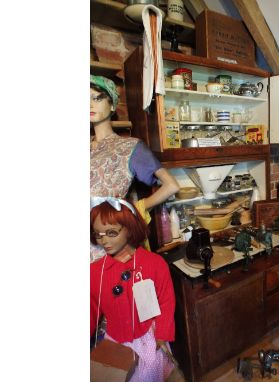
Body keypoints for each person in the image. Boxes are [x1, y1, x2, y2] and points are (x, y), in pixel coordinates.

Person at [90, 75, 179, 261]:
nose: (89, 105)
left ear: (113, 105)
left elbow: (171, 185)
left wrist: (132, 210)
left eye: (97, 98)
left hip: (107, 245)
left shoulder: (129, 147)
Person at [90, 198, 176, 381]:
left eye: (111, 232)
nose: (104, 240)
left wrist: (162, 335)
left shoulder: (154, 264)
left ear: (129, 228)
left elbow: (166, 302)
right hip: (115, 343)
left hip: (148, 338)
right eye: (98, 234)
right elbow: (90, 310)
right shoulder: (95, 272)